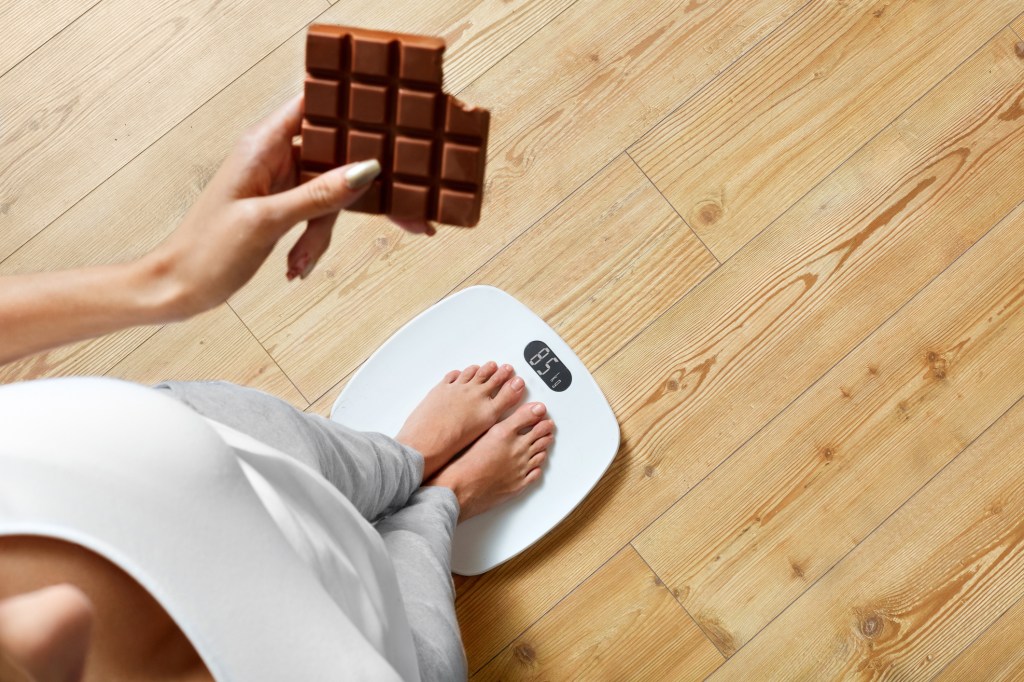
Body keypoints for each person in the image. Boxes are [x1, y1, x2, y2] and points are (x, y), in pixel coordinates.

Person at [0, 95, 553, 681]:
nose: (49, 617)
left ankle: (410, 460)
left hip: (177, 447)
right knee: (424, 659)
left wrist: (166, 281)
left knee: (325, 461)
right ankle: (439, 505)